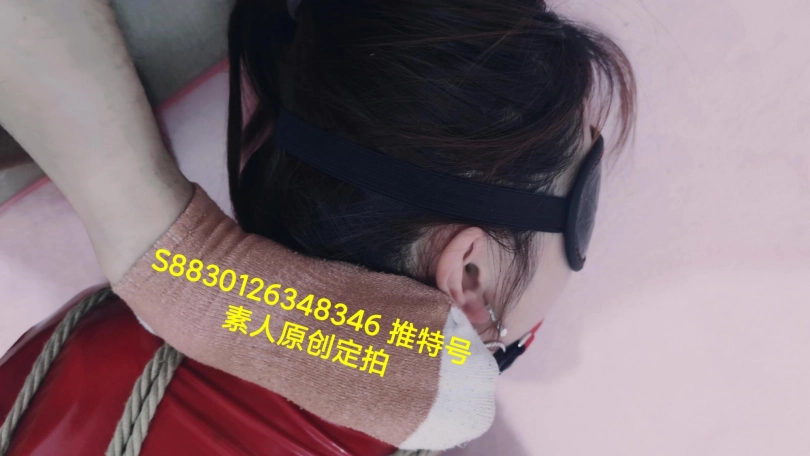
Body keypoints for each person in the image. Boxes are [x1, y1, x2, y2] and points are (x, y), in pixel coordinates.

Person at [0, 0, 636, 454]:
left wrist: (178, 264)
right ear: (467, 276)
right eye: (584, 211)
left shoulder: (84, 343)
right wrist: (182, 275)